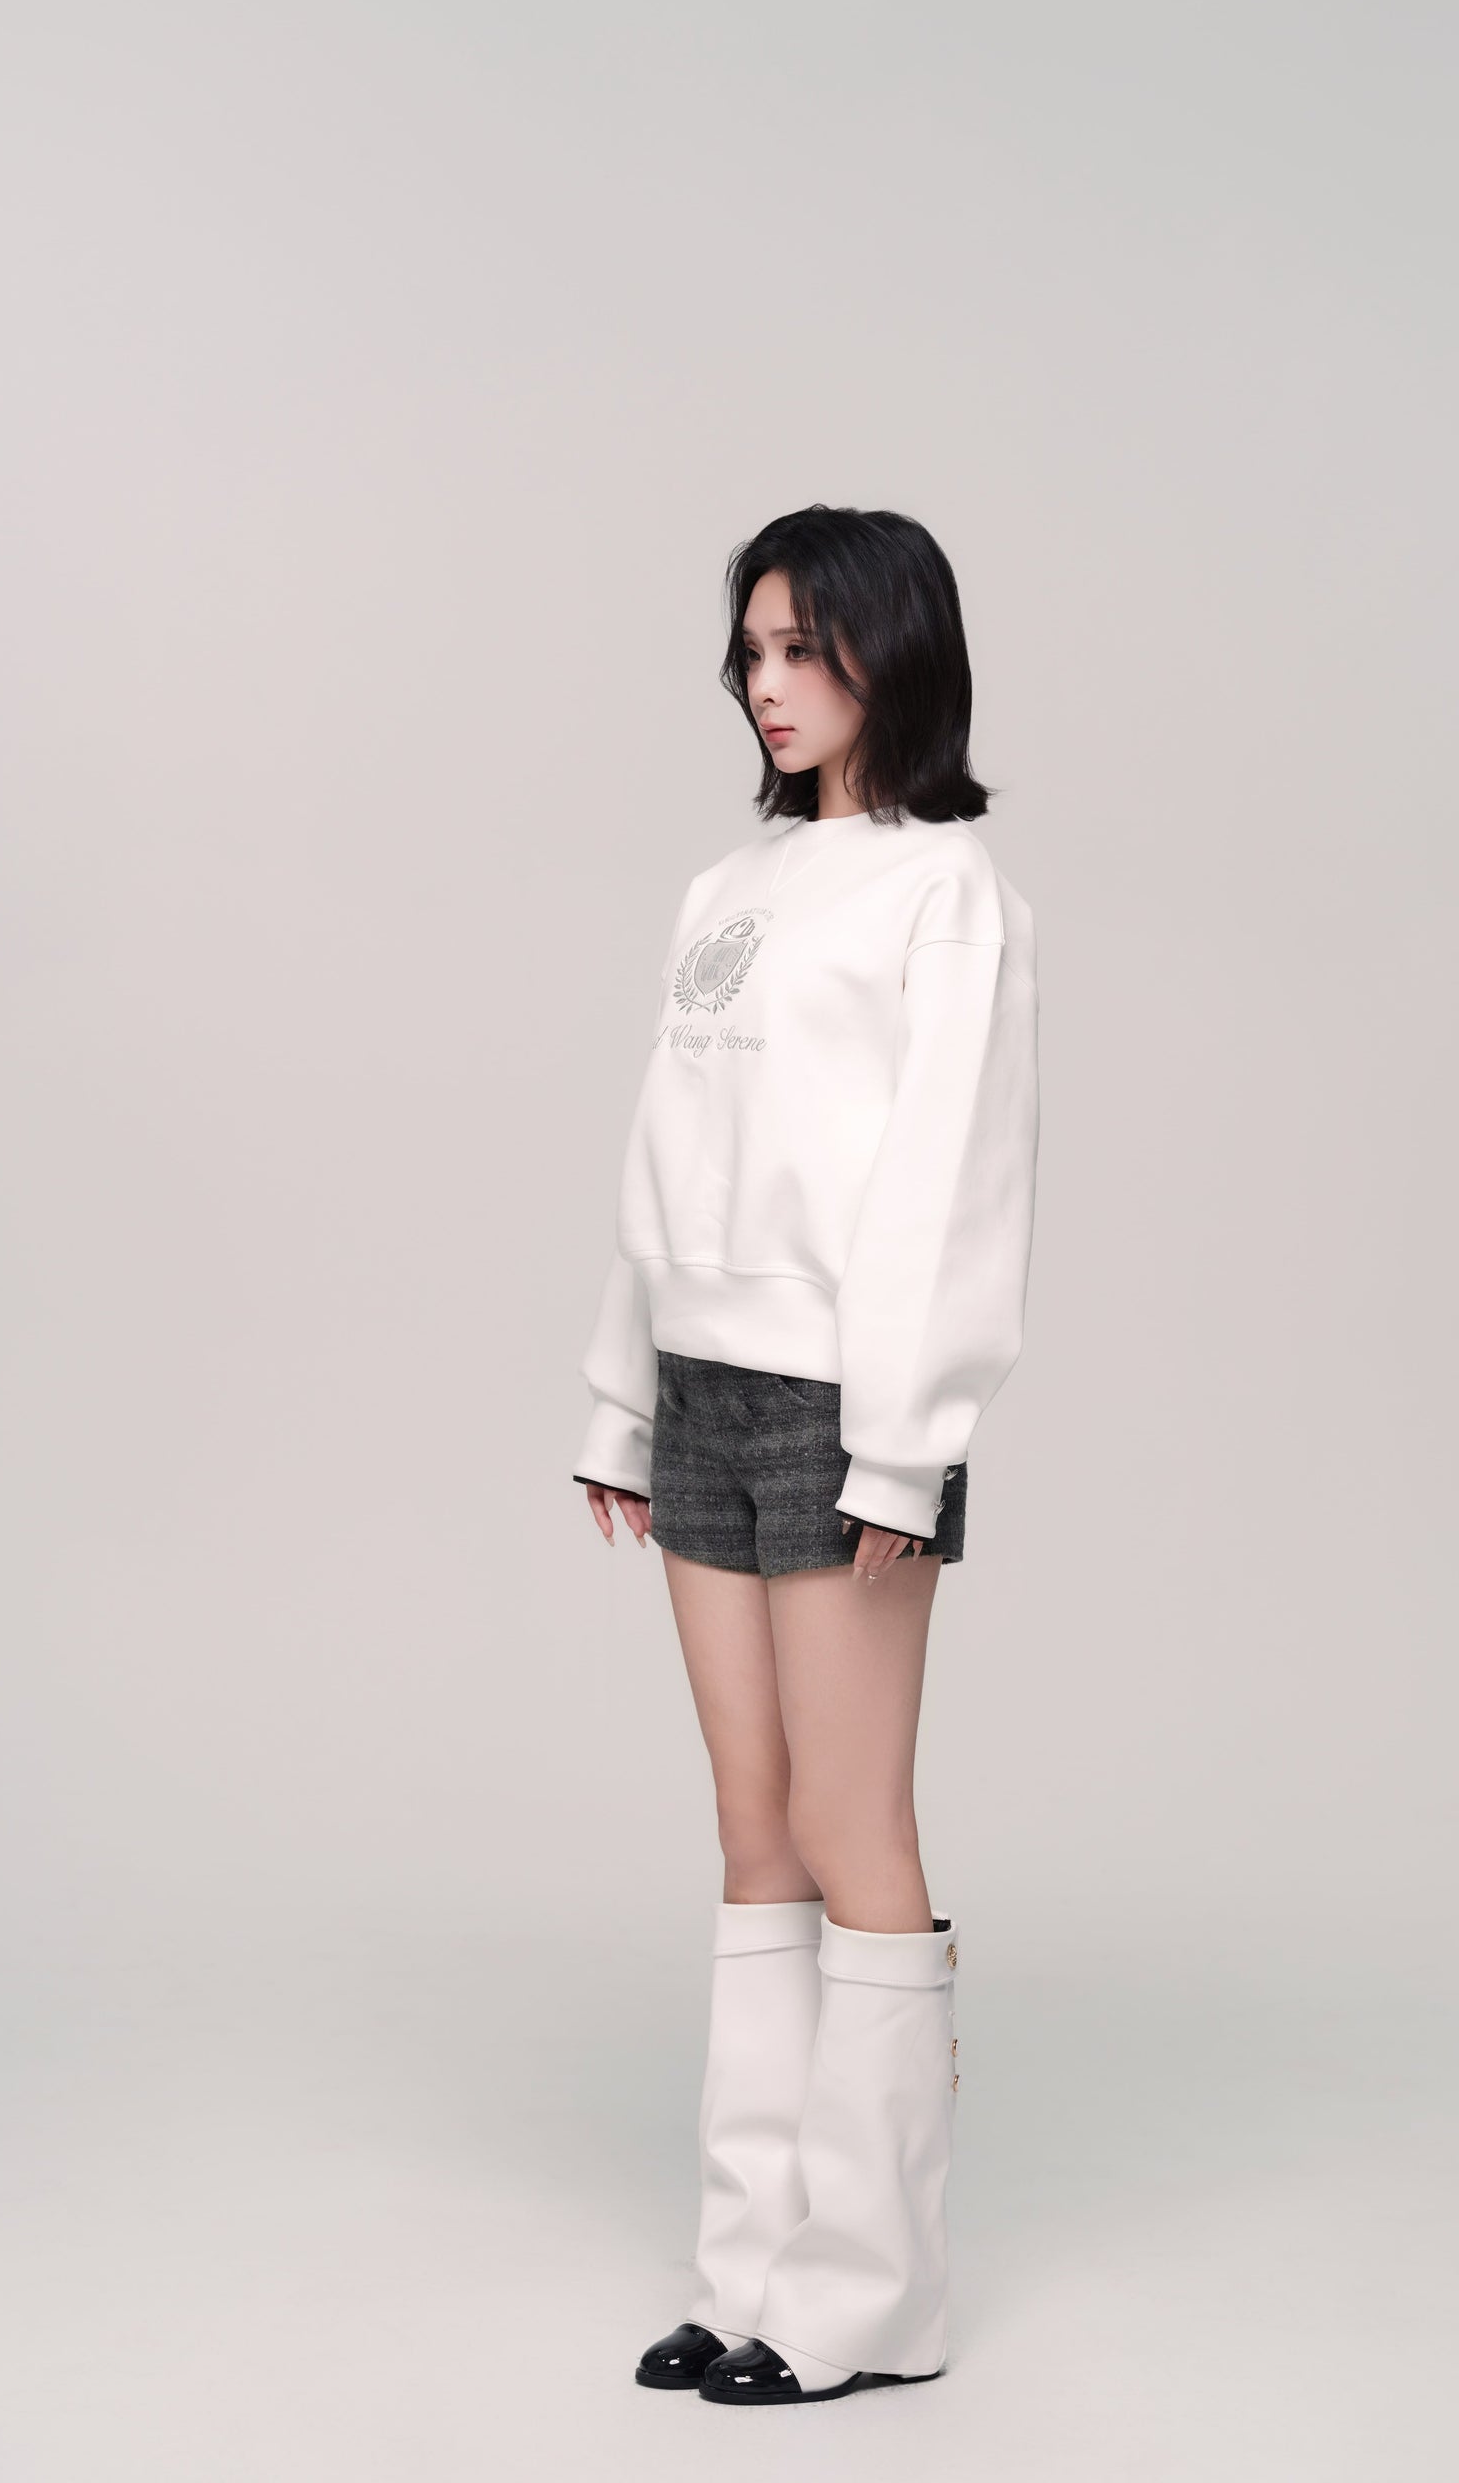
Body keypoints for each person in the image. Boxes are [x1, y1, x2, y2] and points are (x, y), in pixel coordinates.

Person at [570, 503, 1040, 2406]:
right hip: (699, 1386)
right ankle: (752, 2264)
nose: (767, 686)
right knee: (752, 1830)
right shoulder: (727, 886)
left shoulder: (949, 890)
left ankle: (870, 2293)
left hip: (846, 1408)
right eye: (750, 654)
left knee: (855, 1835)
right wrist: (618, 1397)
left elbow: (952, 1186)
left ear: (887, 655)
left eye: (802, 650)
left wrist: (904, 1450)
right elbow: (667, 1154)